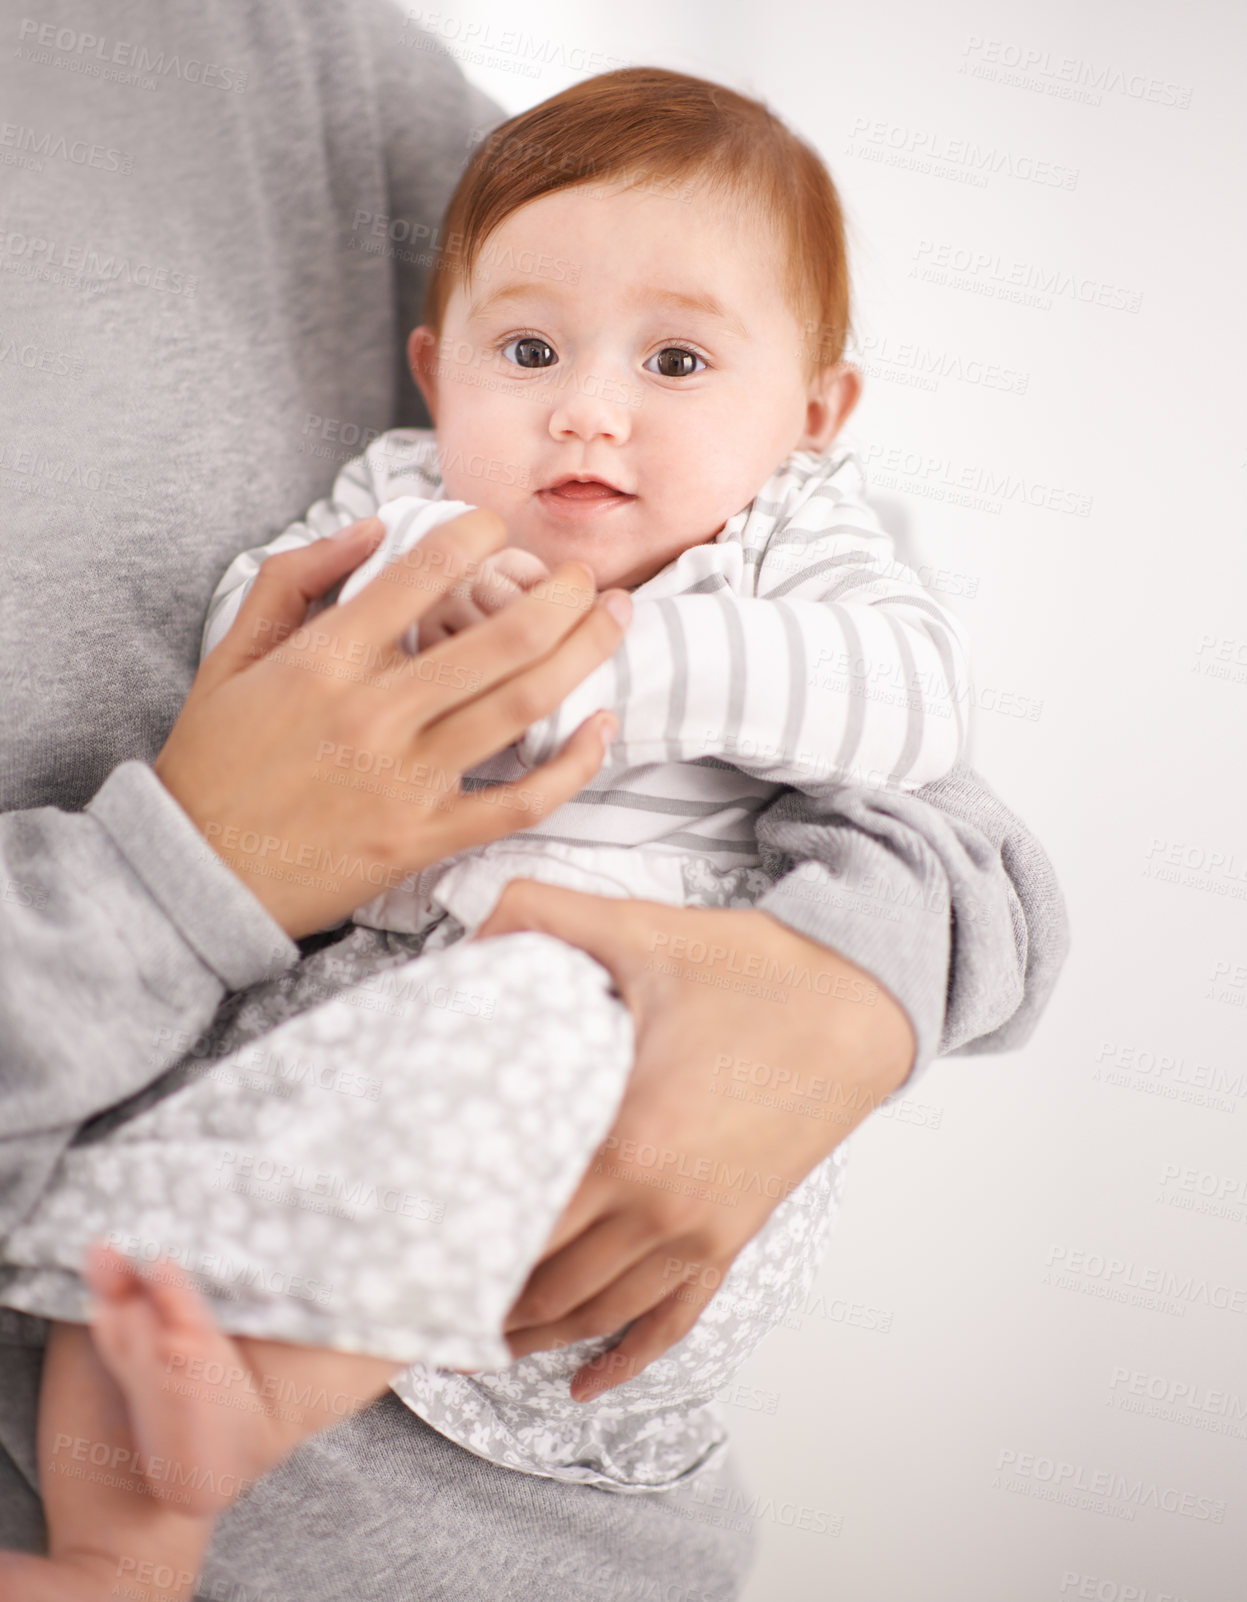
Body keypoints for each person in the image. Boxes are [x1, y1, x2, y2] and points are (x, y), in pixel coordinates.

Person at [0, 8, 1068, 1601]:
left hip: (625, 1052)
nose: (587, 408)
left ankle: (229, 1421)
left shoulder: (786, 541)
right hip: (352, 1012)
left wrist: (609, 661)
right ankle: (121, 1536)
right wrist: (403, 627)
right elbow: (253, 644)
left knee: (532, 1028)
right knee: (153, 1239)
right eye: (528, 352)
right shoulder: (407, 496)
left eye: (679, 362)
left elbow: (914, 703)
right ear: (439, 371)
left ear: (815, 414)